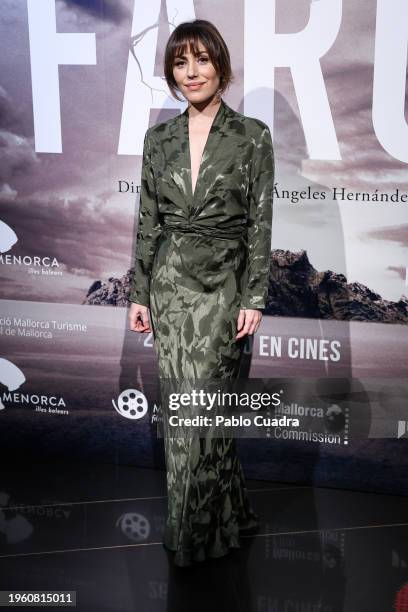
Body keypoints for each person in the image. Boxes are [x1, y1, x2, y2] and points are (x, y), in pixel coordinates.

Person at [128, 19, 274, 567]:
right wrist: (139, 290)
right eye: (180, 63)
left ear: (220, 66)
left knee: (200, 411)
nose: (191, 72)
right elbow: (147, 220)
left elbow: (260, 225)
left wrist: (253, 296)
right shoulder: (157, 138)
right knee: (189, 412)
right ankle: (226, 517)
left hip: (223, 286)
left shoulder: (252, 136)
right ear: (171, 72)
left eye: (202, 60)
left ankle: (191, 531)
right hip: (169, 284)